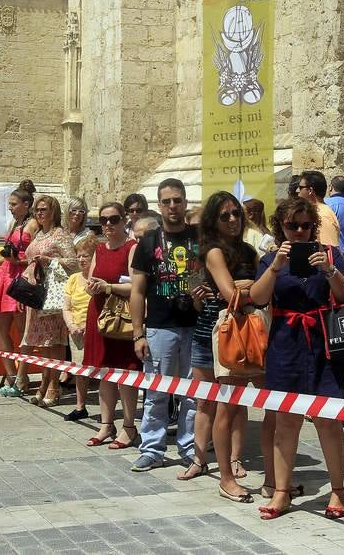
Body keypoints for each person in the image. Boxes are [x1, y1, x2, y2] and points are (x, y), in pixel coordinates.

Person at [249, 197, 344, 520]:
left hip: (324, 343)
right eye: (291, 226)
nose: (298, 231)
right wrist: (276, 267)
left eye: (306, 226)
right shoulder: (270, 259)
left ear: (314, 227)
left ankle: (337, 490)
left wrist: (329, 270)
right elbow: (257, 298)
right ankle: (281, 491)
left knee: (328, 419)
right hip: (286, 344)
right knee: (286, 419)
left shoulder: (330, 254)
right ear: (280, 227)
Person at [180, 191, 270, 503]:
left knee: (236, 403)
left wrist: (243, 288)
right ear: (213, 221)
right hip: (213, 331)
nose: (232, 219)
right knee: (210, 402)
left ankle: (233, 460)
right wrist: (247, 287)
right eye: (224, 215)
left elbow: (256, 293)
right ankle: (203, 461)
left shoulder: (248, 251)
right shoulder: (213, 251)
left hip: (244, 333)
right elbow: (232, 293)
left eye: (236, 214)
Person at [130, 178, 199, 471]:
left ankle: (190, 448)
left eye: (177, 200)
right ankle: (152, 449)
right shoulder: (148, 242)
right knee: (157, 392)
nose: (173, 206)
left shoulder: (199, 238)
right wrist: (138, 334)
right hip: (160, 327)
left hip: (196, 326)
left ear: (185, 203)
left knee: (194, 394)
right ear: (159, 205)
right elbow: (137, 291)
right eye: (167, 201)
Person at [82, 202, 141, 448]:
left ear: (124, 220)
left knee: (125, 372)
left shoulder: (132, 247)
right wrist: (92, 286)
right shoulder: (99, 249)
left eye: (114, 219)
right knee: (104, 372)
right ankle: (106, 424)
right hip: (99, 314)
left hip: (122, 317)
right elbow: (89, 281)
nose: (108, 224)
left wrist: (108, 287)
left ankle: (129, 426)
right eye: (103, 220)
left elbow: (136, 286)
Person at [20, 195, 78, 407]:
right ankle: (45, 382)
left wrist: (50, 260)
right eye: (37, 209)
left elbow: (73, 262)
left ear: (53, 212)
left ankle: (53, 385)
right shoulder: (38, 234)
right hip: (36, 294)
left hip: (52, 293)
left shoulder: (60, 234)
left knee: (54, 342)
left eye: (43, 209)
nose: (39, 213)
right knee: (43, 344)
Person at [0, 188, 38, 396]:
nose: (10, 208)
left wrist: (18, 262)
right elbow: (10, 254)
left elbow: (35, 257)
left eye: (14, 204)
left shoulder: (33, 225)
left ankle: (22, 377)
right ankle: (12, 375)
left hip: (21, 278)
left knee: (23, 331)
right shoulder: (15, 223)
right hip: (6, 275)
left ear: (26, 204)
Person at [61, 236, 98, 421]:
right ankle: (80, 407)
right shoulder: (73, 279)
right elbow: (66, 307)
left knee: (103, 371)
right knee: (79, 371)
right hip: (77, 332)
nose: (81, 259)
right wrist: (72, 325)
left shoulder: (100, 279)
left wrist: (88, 325)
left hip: (97, 330)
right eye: (79, 256)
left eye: (86, 256)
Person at [296, 170, 340, 246]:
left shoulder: (322, 216)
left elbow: (328, 248)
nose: (297, 190)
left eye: (300, 187)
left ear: (310, 190)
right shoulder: (319, 212)